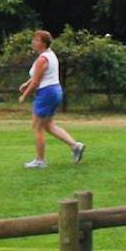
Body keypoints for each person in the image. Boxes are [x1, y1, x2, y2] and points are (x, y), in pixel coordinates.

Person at [17, 29, 84, 168]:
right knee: (48, 125)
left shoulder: (42, 59)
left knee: (37, 127)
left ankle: (40, 161)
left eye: (36, 40)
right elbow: (36, 77)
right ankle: (75, 146)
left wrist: (25, 95)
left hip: (47, 93)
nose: (33, 43)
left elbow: (36, 81)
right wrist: (26, 84)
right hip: (54, 91)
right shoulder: (50, 55)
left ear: (43, 43)